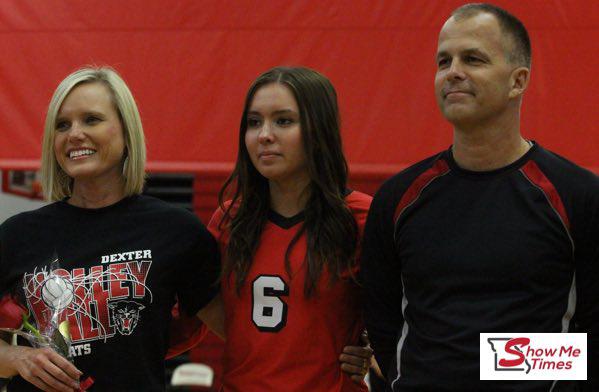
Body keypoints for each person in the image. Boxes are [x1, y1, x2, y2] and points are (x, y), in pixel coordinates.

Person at [360, 3, 598, 391]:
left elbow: (591, 333)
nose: (453, 72)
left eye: (472, 59)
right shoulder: (397, 198)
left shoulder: (578, 196)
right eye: (443, 61)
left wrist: (498, 362)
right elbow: (382, 319)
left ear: (517, 81)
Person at [0, 67, 224, 391]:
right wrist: (15, 358)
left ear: (125, 129)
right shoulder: (17, 235)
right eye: (62, 125)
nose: (74, 133)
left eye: (91, 119)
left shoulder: (176, 231)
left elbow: (244, 334)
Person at [208, 66, 373, 391]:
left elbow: (414, 315)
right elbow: (191, 313)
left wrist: (375, 353)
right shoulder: (229, 221)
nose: (264, 135)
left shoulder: (363, 219)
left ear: (319, 130)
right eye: (254, 122)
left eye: (284, 121)